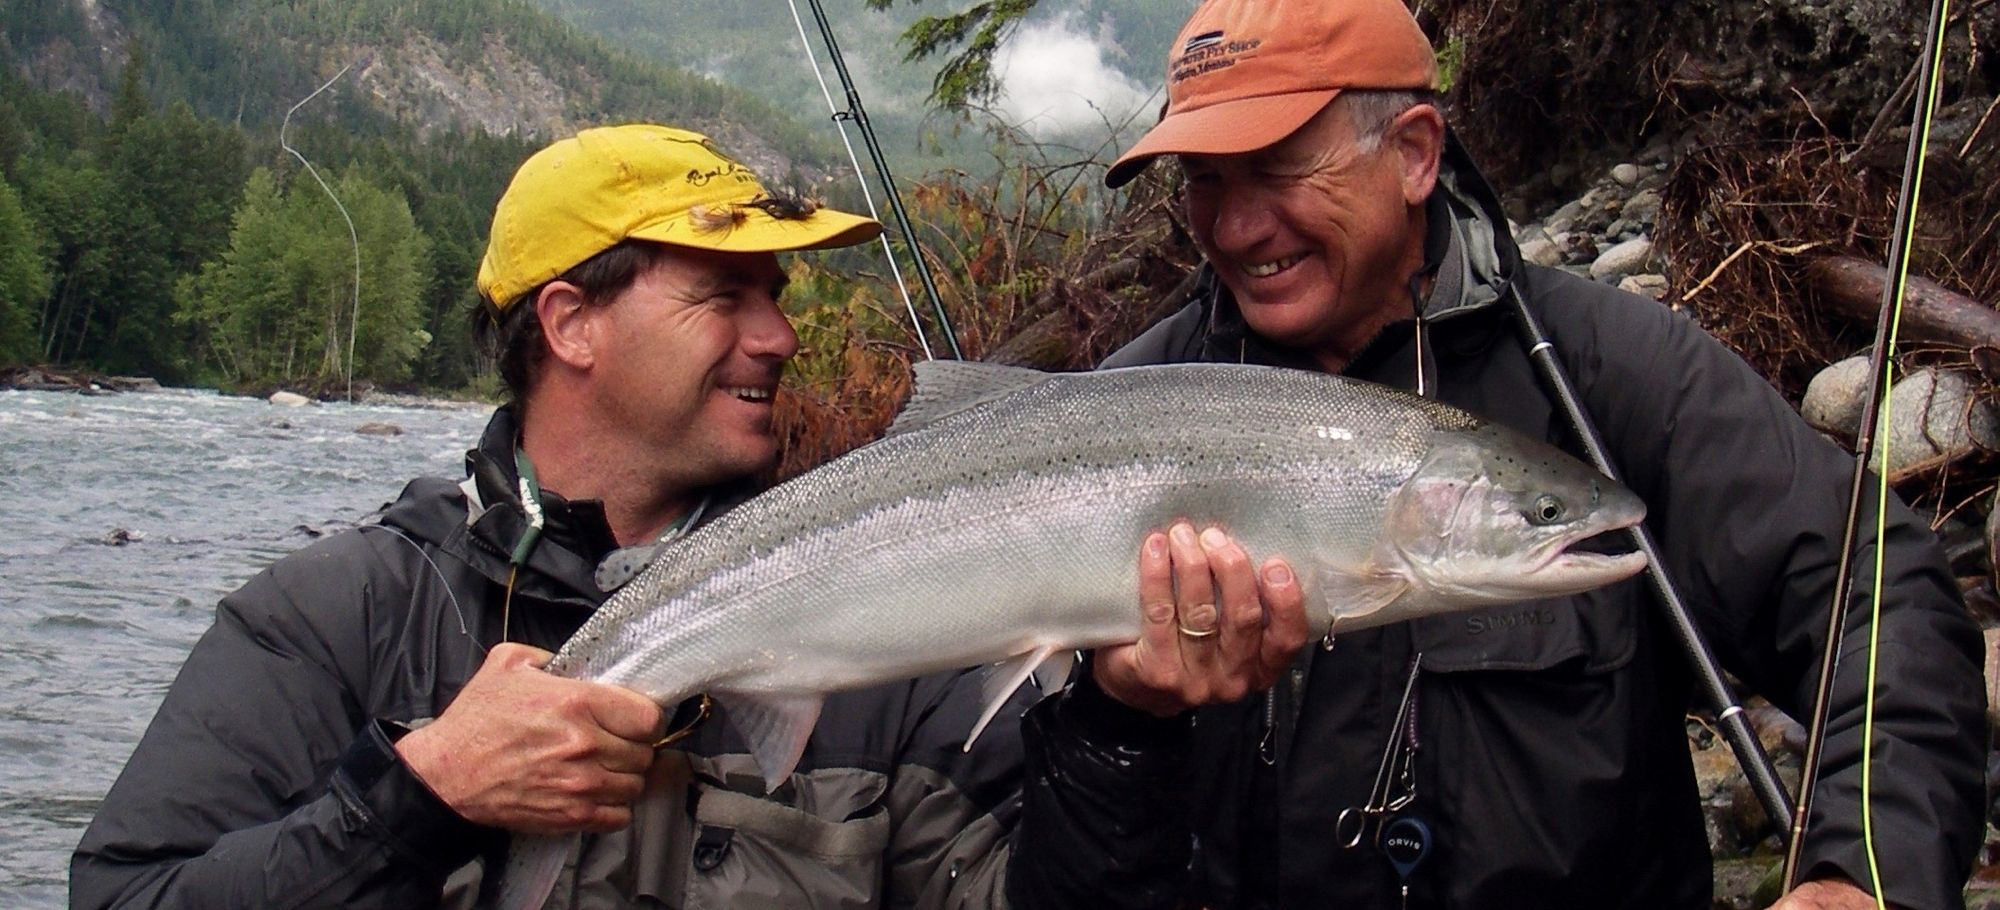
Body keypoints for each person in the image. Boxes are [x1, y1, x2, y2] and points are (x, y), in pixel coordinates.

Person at [73, 123, 1292, 910]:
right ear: (570, 324)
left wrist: (1123, 726)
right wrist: (415, 796)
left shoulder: (905, 623)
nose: (779, 333)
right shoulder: (338, 619)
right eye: (724, 294)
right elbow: (121, 896)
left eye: (776, 294)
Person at [1011, 1, 1990, 908]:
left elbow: (1878, 590)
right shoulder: (1115, 412)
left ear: (1411, 154)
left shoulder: (1614, 378)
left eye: (1274, 168)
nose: (1233, 226)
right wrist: (1117, 719)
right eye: (1203, 181)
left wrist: (1862, 868)